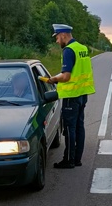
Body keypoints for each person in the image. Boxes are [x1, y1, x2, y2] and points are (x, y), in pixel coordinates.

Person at [46, 24, 95, 169]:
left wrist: (53, 79)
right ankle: (77, 159)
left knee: (69, 129)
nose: (56, 41)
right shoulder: (82, 48)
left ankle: (69, 160)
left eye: (57, 37)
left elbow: (66, 76)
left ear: (63, 35)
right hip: (82, 94)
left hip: (71, 95)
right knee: (79, 127)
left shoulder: (68, 50)